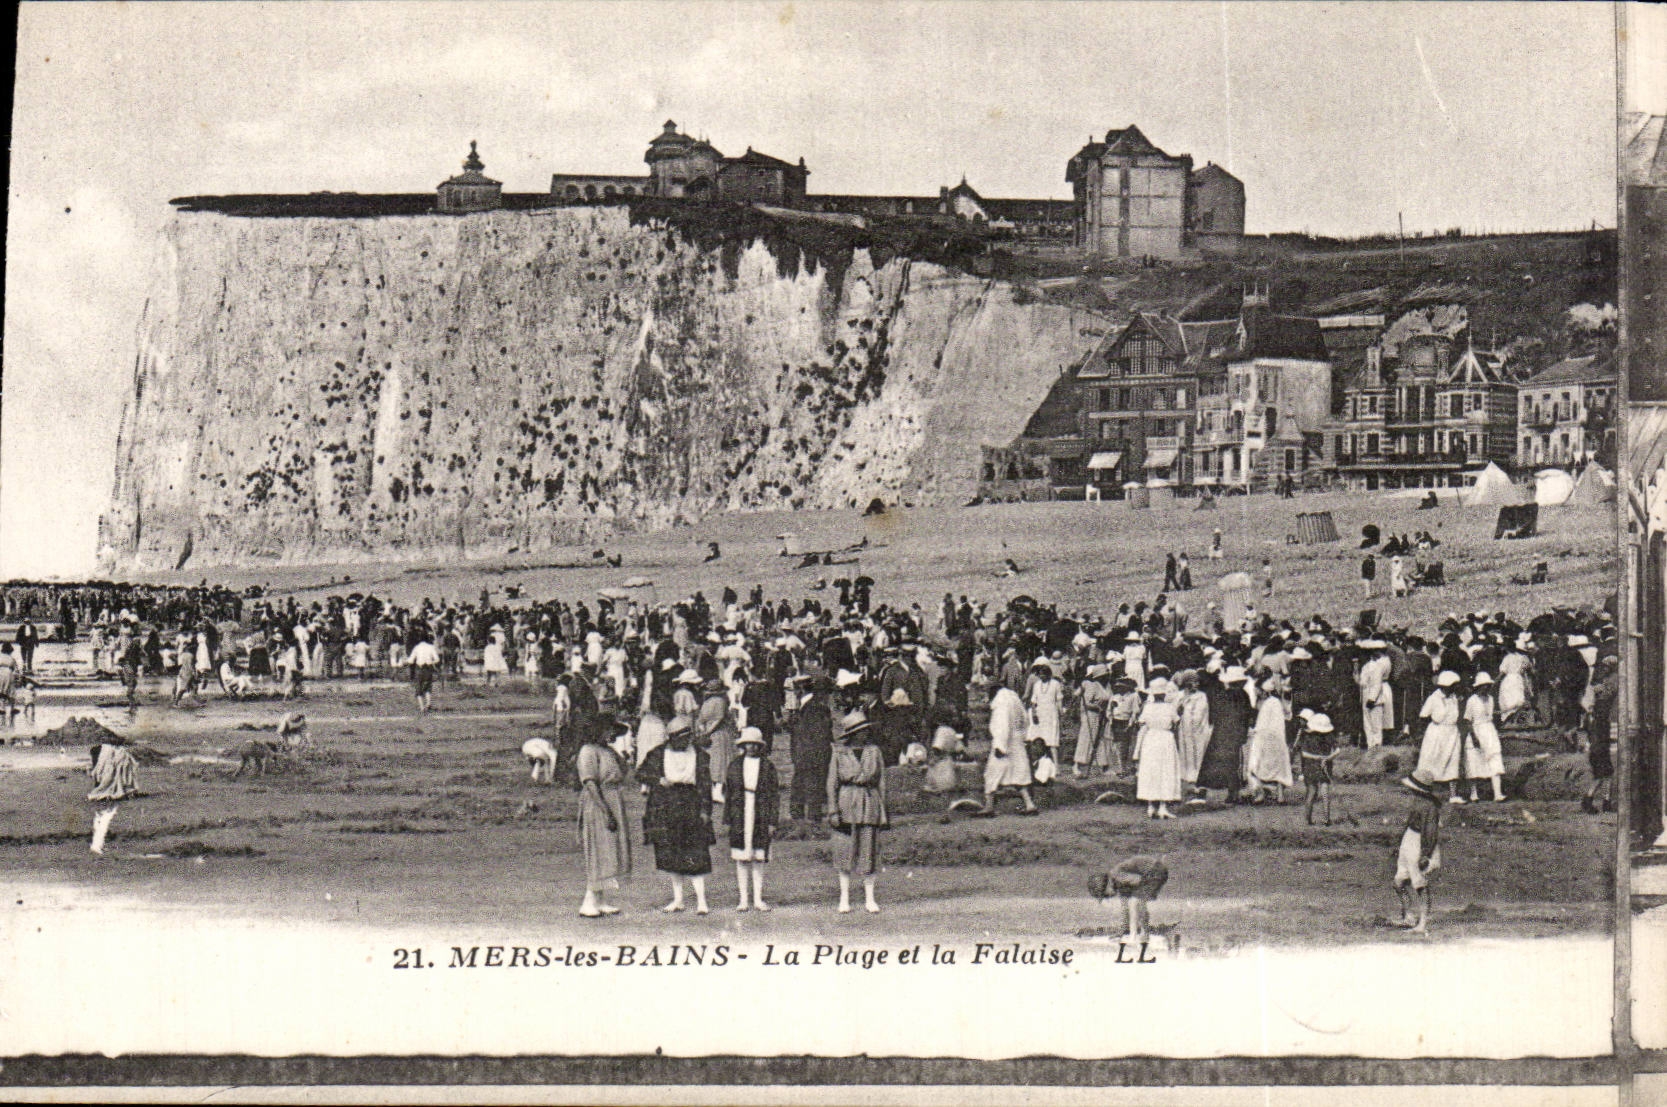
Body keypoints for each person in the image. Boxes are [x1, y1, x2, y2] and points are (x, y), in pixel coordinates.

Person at [640, 716, 714, 914]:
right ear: (671, 738)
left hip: (691, 802)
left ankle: (701, 901)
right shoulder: (657, 754)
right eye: (680, 739)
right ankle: (678, 900)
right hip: (667, 804)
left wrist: (705, 810)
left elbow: (706, 784)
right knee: (672, 854)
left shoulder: (699, 755)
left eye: (687, 738)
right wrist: (658, 779)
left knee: (695, 853)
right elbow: (641, 773)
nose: (684, 742)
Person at [826, 710, 889, 913]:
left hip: (869, 802)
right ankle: (844, 898)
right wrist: (833, 810)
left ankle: (870, 898)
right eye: (861, 731)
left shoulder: (874, 752)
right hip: (846, 802)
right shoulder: (839, 753)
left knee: (869, 851)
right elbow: (832, 783)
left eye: (866, 730)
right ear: (852, 734)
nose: (865, 733)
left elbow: (881, 782)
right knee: (844, 850)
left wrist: (883, 810)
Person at [576, 721, 632, 917]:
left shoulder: (608, 751)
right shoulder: (588, 751)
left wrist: (623, 757)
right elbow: (590, 783)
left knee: (610, 849)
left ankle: (600, 900)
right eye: (608, 729)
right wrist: (606, 811)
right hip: (598, 802)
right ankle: (589, 901)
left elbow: (622, 772)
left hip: (613, 799)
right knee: (598, 849)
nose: (611, 734)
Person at [725, 727, 779, 912]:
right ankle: (743, 900)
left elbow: (774, 795)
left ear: (760, 746)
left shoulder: (767, 766)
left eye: (755, 744)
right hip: (740, 811)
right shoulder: (735, 765)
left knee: (758, 856)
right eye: (748, 744)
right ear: (743, 745)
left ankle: (758, 899)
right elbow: (729, 792)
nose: (752, 747)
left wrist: (772, 821)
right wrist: (729, 818)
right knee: (742, 857)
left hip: (760, 811)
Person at [978, 674, 1038, 816]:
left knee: (991, 774)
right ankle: (1029, 804)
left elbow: (1002, 725)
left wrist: (1000, 746)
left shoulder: (1001, 703)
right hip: (1017, 741)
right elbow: (1025, 719)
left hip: (1004, 743)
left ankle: (989, 806)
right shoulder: (1014, 698)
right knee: (1019, 774)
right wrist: (1023, 736)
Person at [1393, 769, 1442, 933]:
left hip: (1419, 842)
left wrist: (1426, 854)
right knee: (1399, 881)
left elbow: (1430, 832)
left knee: (1419, 884)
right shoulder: (1418, 802)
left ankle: (1422, 923)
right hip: (1409, 839)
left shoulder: (1430, 807)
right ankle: (1409, 917)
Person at [1089, 855, 1169, 945]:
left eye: (1105, 894)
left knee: (1135, 902)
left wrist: (1137, 899)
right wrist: (1122, 931)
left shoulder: (1117, 875)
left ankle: (1134, 937)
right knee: (1136, 902)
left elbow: (1138, 880)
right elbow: (1125, 908)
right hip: (1151, 873)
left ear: (1106, 885)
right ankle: (1143, 934)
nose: (1108, 897)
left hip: (1155, 870)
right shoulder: (1119, 883)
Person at [1133, 678, 1182, 819]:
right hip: (1165, 739)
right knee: (1165, 770)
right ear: (1164, 693)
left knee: (1151, 770)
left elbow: (1141, 723)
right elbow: (1176, 723)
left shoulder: (1148, 707)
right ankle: (1162, 806)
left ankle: (1151, 806)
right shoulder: (1170, 707)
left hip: (1151, 739)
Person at [789, 674, 834, 822]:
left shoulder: (813, 707)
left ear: (801, 689)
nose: (794, 693)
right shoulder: (810, 706)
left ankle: (810, 821)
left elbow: (819, 736)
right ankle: (804, 820)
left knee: (810, 789)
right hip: (805, 756)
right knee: (804, 789)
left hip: (809, 757)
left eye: (795, 690)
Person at [1417, 671, 1466, 804]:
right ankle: (1424, 791)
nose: (1456, 688)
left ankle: (1453, 795)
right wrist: (1422, 735)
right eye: (1454, 685)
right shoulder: (1434, 698)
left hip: (1452, 733)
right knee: (1431, 761)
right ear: (1446, 685)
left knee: (1453, 761)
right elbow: (1423, 716)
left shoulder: (1454, 698)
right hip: (1436, 733)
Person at [1583, 655, 1619, 814]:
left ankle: (1605, 801)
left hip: (1598, 743)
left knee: (1606, 773)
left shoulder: (1598, 692)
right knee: (1602, 774)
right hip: (1599, 744)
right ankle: (1591, 799)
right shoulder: (1601, 712)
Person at [1463, 672, 1505, 803]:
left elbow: (1492, 716)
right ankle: (1474, 794)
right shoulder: (1472, 700)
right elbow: (1467, 721)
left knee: (1495, 759)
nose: (1486, 687)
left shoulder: (1491, 699)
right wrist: (1474, 737)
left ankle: (1497, 793)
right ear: (1478, 686)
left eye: (1488, 685)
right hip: (1476, 731)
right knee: (1473, 761)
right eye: (1484, 685)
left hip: (1489, 731)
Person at [1293, 712, 1338, 825]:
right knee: (1325, 791)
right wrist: (1328, 758)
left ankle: (1308, 820)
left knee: (1312, 791)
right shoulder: (1329, 736)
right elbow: (1338, 750)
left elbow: (1304, 753)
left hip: (1311, 765)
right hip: (1324, 764)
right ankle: (1326, 819)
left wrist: (1317, 757)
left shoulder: (1308, 736)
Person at [1072, 664, 1113, 778]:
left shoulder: (1108, 686)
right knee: (1087, 739)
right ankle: (1077, 765)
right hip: (1091, 715)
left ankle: (1103, 766)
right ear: (1099, 676)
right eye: (1105, 675)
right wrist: (1098, 707)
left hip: (1103, 716)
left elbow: (1110, 699)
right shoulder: (1093, 685)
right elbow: (1087, 702)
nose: (1107, 676)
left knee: (1101, 739)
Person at [1358, 640, 1393, 749]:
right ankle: (1370, 745)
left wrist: (1372, 699)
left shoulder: (1376, 666)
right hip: (1366, 695)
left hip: (1374, 698)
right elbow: (1363, 682)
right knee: (1368, 724)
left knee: (1376, 724)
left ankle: (1377, 745)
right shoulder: (1367, 666)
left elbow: (1377, 684)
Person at [409, 634, 440, 713]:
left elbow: (411, 660)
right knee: (428, 686)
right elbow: (437, 659)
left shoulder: (416, 647)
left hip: (419, 668)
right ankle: (428, 703)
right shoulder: (431, 647)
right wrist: (431, 662)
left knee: (418, 688)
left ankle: (422, 707)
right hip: (428, 668)